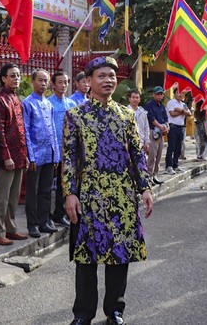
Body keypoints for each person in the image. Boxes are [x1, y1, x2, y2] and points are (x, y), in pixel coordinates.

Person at [62, 56, 153, 325]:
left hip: (122, 196)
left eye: (111, 76)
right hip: (89, 196)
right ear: (88, 81)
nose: (108, 80)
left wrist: (145, 188)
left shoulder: (126, 115)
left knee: (119, 255)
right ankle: (83, 314)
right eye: (101, 76)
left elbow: (137, 155)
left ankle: (115, 310)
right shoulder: (75, 116)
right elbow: (69, 158)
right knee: (86, 257)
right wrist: (70, 193)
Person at [0, 63, 29, 246]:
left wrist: (25, 154)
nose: (16, 78)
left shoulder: (17, 99)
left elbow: (21, 130)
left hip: (19, 155)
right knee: (2, 197)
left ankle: (11, 229)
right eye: (12, 75)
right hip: (7, 157)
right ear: (3, 78)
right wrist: (6, 156)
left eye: (18, 75)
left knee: (13, 196)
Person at [22, 69, 60, 238]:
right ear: (33, 81)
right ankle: (33, 224)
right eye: (40, 80)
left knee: (46, 191)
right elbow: (26, 131)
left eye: (46, 81)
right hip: (35, 156)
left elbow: (52, 130)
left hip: (49, 154)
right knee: (33, 191)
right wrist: (30, 156)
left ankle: (44, 221)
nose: (43, 84)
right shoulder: (27, 103)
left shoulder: (48, 104)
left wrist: (56, 154)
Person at [48, 71, 76, 227]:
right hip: (52, 150)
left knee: (63, 184)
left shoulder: (71, 104)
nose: (63, 85)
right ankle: (47, 215)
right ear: (53, 84)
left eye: (66, 82)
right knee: (46, 185)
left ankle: (60, 213)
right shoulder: (49, 103)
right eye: (60, 82)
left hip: (68, 150)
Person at [144, 86, 168, 183]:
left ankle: (155, 175)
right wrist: (161, 127)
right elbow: (151, 118)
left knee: (159, 155)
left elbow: (166, 118)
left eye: (161, 94)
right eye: (158, 94)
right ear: (154, 95)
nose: (159, 96)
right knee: (152, 155)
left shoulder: (162, 106)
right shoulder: (149, 105)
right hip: (153, 131)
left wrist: (167, 127)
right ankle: (149, 176)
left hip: (161, 133)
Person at [165, 88, 190, 173]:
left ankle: (175, 164)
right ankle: (169, 166)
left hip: (181, 127)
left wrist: (180, 110)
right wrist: (183, 112)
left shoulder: (183, 104)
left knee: (179, 147)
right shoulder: (171, 102)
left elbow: (189, 113)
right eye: (178, 92)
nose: (180, 94)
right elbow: (172, 114)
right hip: (173, 127)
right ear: (174, 93)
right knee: (171, 146)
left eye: (181, 93)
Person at [127, 89, 150, 164]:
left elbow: (146, 128)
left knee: (141, 165)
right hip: (129, 144)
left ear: (140, 99)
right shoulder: (124, 112)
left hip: (141, 143)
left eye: (137, 97)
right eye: (133, 97)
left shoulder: (143, 112)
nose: (135, 99)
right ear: (129, 99)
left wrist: (147, 142)